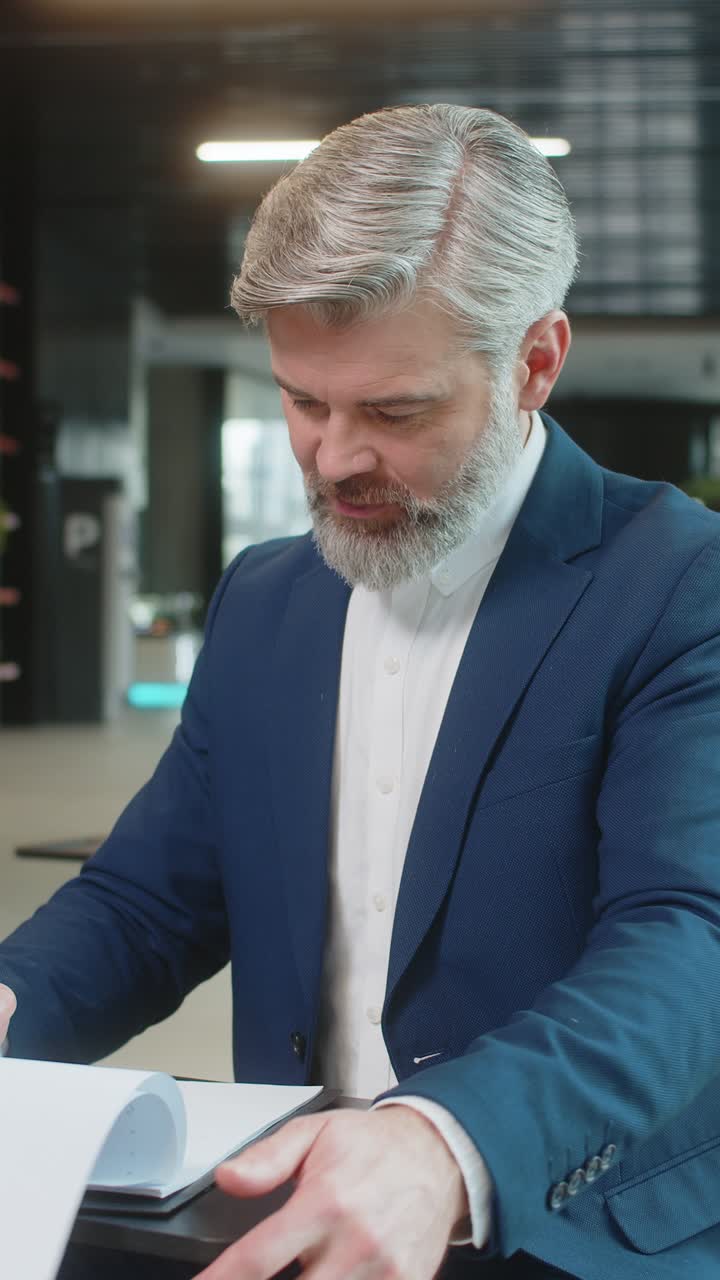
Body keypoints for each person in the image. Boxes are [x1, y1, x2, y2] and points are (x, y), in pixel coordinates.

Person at [2, 102, 720, 1280]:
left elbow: (690, 933)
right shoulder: (267, 599)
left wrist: (448, 1142)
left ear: (535, 362)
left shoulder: (682, 584)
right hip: (292, 1214)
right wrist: (12, 996)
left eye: (394, 411)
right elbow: (150, 901)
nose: (335, 458)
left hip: (572, 1230)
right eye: (303, 400)